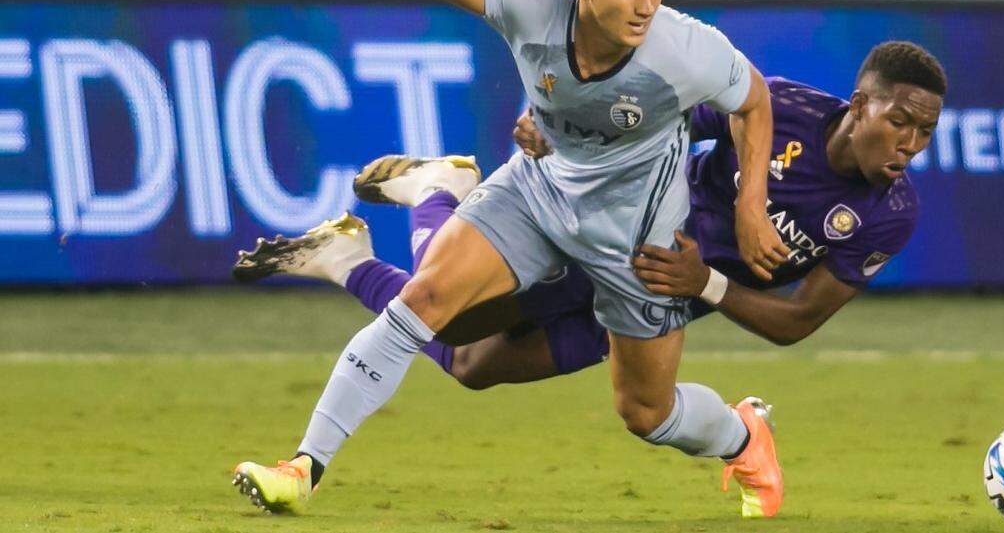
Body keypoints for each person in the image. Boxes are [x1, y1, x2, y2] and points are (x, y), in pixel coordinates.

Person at [231, 0, 790, 518]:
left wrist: (751, 206)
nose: (646, 6)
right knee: (423, 301)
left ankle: (743, 436)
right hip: (539, 193)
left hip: (637, 244)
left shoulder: (686, 49)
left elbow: (755, 101)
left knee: (647, 413)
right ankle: (302, 467)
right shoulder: (532, 0)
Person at [233, 41, 948, 517]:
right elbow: (654, 115)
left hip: (665, 291)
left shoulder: (890, 214)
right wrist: (568, 131)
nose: (911, 145)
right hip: (606, 230)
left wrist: (705, 283)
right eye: (900, 122)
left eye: (926, 132)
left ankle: (360, 254)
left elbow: (796, 322)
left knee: (533, 382)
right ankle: (428, 201)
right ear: (860, 104)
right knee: (447, 322)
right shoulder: (780, 108)